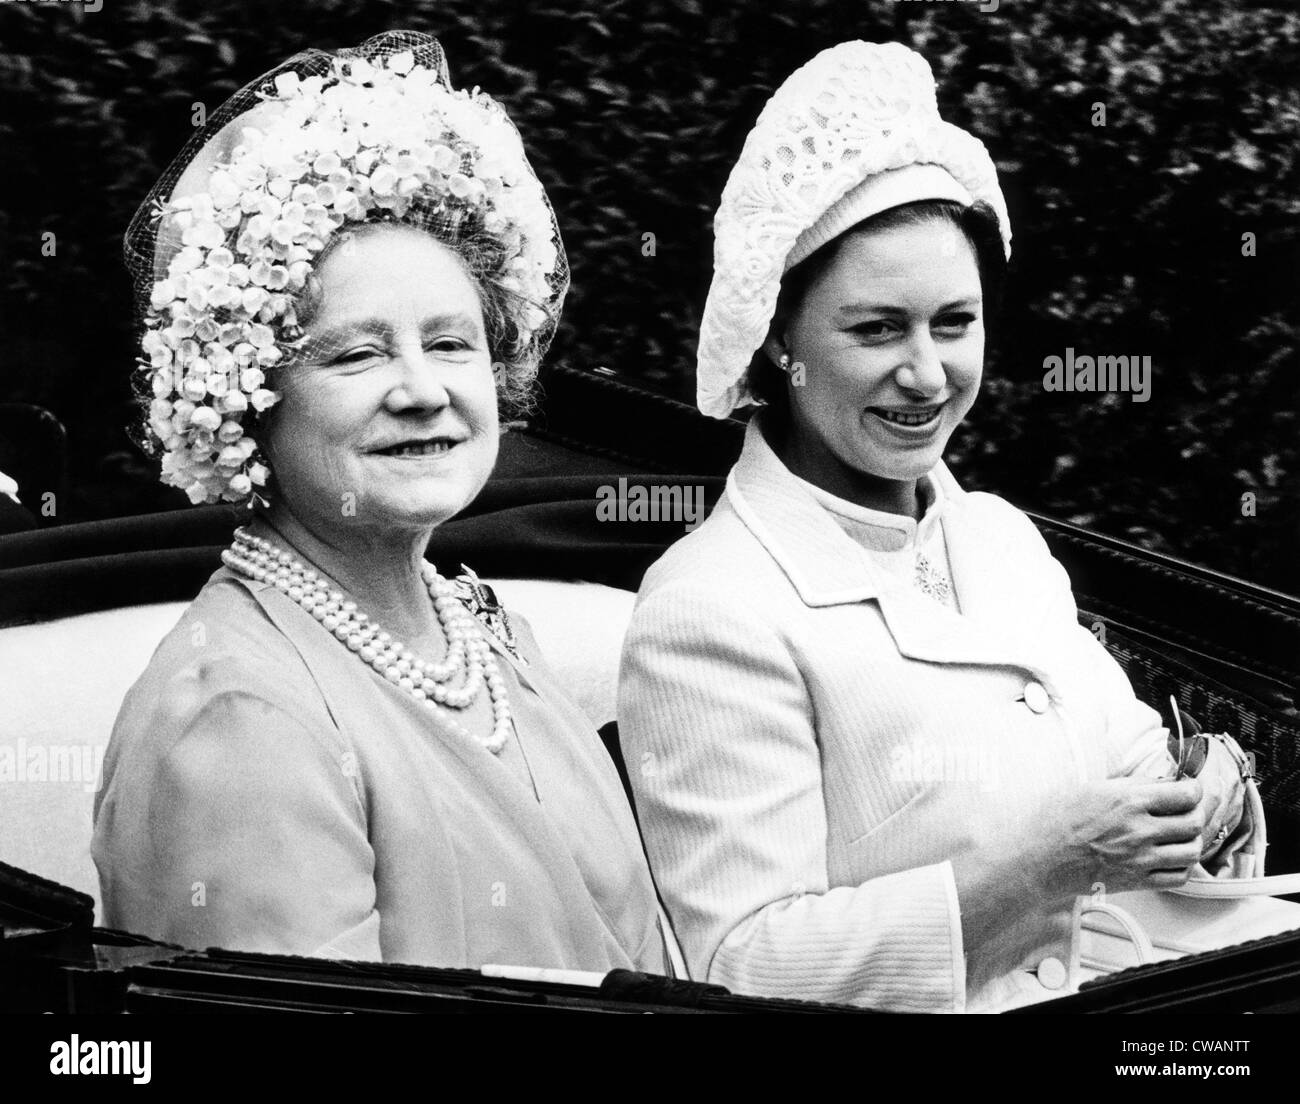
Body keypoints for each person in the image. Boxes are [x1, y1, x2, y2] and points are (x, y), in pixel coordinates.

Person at [617, 41, 1275, 1011]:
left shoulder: (998, 539)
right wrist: (1045, 867)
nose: (926, 374)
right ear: (780, 340)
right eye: (876, 328)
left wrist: (1207, 786)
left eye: (954, 323)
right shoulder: (709, 609)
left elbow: (1135, 769)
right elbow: (746, 972)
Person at [93, 32, 668, 974]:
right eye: (357, 354)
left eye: (450, 344)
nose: (422, 391)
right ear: (249, 401)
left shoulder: (487, 637)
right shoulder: (235, 714)